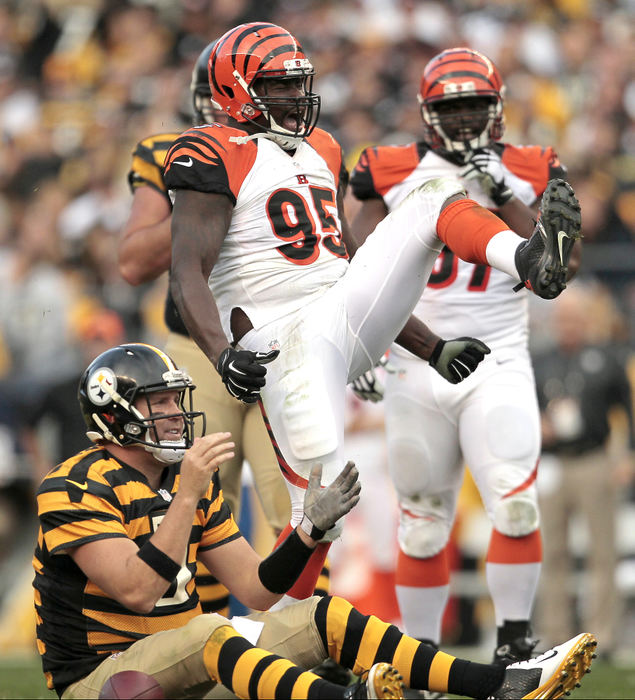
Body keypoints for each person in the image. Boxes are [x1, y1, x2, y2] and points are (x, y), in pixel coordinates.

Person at [163, 22, 582, 608]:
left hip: (342, 313)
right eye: (277, 87)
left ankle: (528, 257)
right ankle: (274, 635)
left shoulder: (325, 148)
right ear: (236, 91)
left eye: (297, 84)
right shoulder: (209, 151)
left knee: (434, 193)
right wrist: (221, 355)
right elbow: (185, 271)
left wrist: (429, 345)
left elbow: (348, 265)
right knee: (322, 512)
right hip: (283, 344)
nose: (295, 98)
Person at [32, 342, 597, 700]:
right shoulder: (73, 485)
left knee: (320, 617)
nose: (176, 413)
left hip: (182, 668)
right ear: (115, 415)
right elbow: (135, 590)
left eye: (175, 400)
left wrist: (307, 535)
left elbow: (255, 588)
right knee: (208, 630)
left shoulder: (181, 483)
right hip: (105, 683)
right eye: (158, 404)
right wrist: (186, 497)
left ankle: (500, 684)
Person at [348, 46, 582, 664]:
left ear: (498, 107)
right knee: (421, 520)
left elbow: (563, 266)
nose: (463, 118)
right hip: (414, 358)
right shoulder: (389, 167)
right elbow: (357, 263)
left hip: (499, 354)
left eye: (475, 104)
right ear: (426, 112)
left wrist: (504, 190)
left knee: (515, 497)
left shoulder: (531, 167)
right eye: (451, 107)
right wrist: (369, 347)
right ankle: (419, 659)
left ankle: (514, 644)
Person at [118, 41, 291, 617]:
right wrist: (205, 196)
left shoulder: (299, 150)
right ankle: (213, 646)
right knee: (198, 503)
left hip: (283, 345)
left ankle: (307, 643)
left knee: (297, 505)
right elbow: (134, 261)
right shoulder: (175, 153)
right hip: (196, 349)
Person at [533, 281, 634, 660]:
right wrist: (537, 424)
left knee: (601, 551)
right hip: (553, 464)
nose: (569, 324)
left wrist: (628, 456)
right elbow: (522, 409)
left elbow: (626, 407)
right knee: (551, 552)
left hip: (593, 460)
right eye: (563, 318)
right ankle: (555, 633)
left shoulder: (606, 357)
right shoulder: (540, 360)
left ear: (586, 320)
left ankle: (601, 635)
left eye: (575, 317)